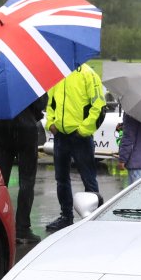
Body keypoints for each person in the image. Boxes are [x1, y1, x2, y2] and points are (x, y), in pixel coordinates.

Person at [44, 65, 106, 231]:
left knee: (88, 179)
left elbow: (99, 105)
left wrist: (83, 130)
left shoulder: (88, 74)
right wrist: (50, 124)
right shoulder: (57, 74)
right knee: (61, 179)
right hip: (60, 136)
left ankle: (93, 217)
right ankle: (66, 216)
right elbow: (51, 104)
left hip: (81, 137)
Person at [0, 98, 45, 242]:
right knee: (27, 181)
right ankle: (22, 228)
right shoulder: (31, 83)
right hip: (27, 130)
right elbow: (41, 104)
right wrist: (31, 117)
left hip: (2, 129)